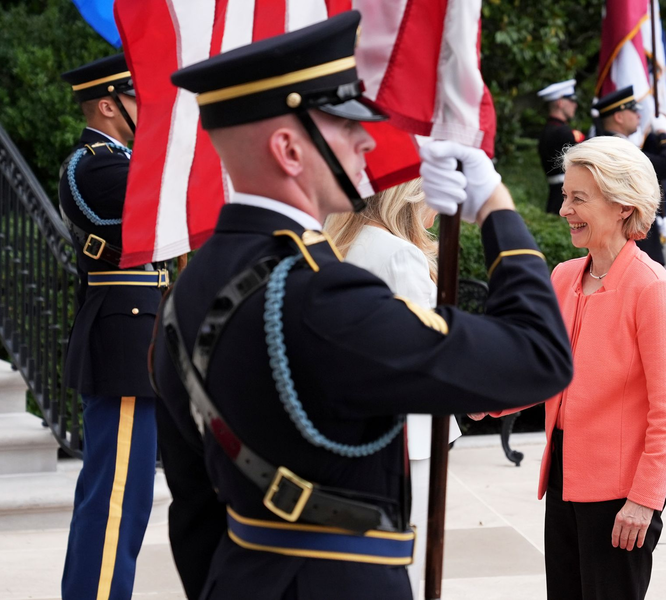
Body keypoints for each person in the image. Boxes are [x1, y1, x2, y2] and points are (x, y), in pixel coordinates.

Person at [149, 11, 573, 600]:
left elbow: (193, 507)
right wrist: (497, 209)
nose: (368, 140)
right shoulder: (318, 296)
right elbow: (539, 356)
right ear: (289, 150)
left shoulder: (187, 292)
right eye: (345, 124)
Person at [476, 135, 666, 599]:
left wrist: (644, 500)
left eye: (578, 198)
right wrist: (481, 402)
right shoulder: (563, 276)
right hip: (564, 479)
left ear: (621, 206)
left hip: (620, 500)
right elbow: (545, 374)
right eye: (565, 196)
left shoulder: (652, 290)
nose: (564, 209)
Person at [58, 54, 165, 600]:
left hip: (141, 341)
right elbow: (170, 207)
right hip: (124, 343)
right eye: (137, 97)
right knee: (116, 495)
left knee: (127, 495)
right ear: (108, 103)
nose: (149, 108)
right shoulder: (94, 164)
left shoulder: (125, 161)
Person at [325, 178, 461, 599]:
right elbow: (430, 353)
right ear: (411, 195)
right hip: (405, 434)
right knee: (406, 563)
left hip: (348, 430)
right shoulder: (398, 254)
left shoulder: (340, 242)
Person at [594, 86, 666, 266]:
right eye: (633, 111)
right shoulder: (620, 150)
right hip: (633, 242)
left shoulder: (606, 145)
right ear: (619, 117)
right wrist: (664, 134)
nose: (639, 116)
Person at [537, 79, 584, 214]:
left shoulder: (549, 129)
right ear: (560, 103)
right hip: (566, 198)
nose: (575, 105)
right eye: (571, 100)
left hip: (557, 196)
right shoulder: (562, 132)